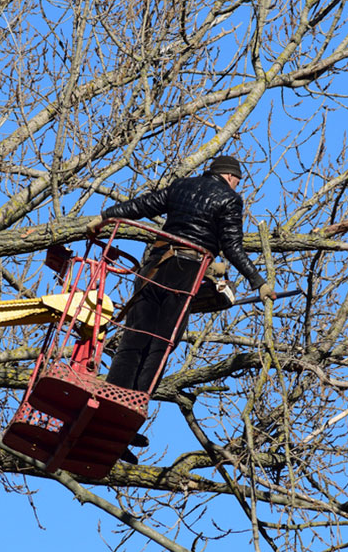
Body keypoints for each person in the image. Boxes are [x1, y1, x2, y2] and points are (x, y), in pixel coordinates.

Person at [86, 155, 275, 399]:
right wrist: (257, 282)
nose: (238, 185)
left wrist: (106, 216)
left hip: (155, 266)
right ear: (230, 176)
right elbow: (232, 246)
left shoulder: (181, 185)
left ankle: (110, 397)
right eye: (238, 181)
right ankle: (136, 402)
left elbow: (142, 205)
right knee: (163, 341)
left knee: (136, 334)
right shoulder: (230, 199)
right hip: (185, 273)